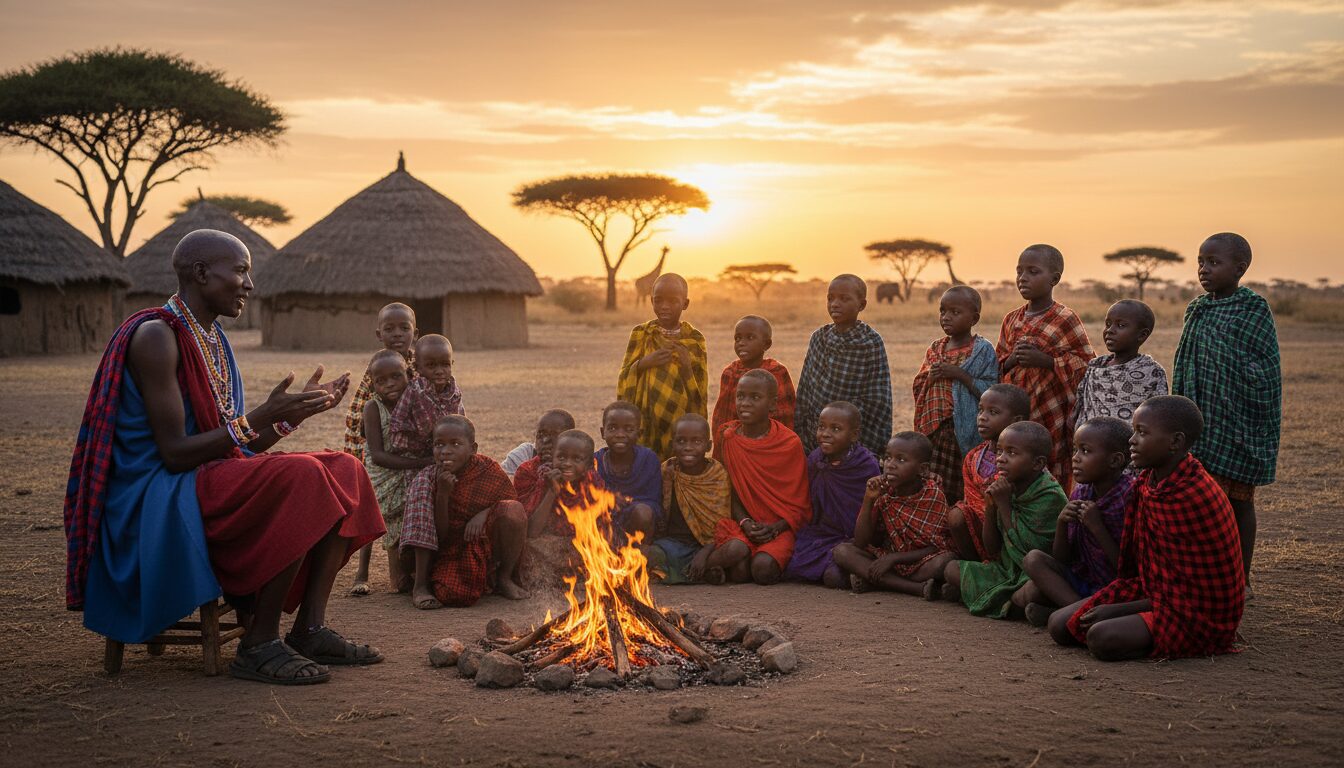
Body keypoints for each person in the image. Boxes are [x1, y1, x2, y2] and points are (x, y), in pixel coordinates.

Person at [65, 229, 385, 686]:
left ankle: (309, 629)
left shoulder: (211, 338)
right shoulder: (157, 337)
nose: (250, 284)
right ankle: (259, 643)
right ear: (200, 273)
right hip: (158, 493)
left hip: (205, 475)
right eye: (240, 271)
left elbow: (236, 446)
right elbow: (176, 454)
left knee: (345, 468)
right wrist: (260, 413)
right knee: (305, 476)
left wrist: (291, 415)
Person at [1050, 396, 1245, 660]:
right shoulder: (1148, 483)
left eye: (1142, 432)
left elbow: (1186, 591)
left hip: (1196, 612)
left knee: (1101, 637)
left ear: (1175, 442)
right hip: (1153, 592)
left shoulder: (1192, 494)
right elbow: (1147, 572)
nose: (1132, 440)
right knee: (1058, 625)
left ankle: (1169, 641)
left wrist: (1118, 609)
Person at [1172, 232, 1280, 580]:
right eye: (1201, 262)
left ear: (1240, 268)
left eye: (1213, 262)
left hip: (1237, 422)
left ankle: (1240, 575)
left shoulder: (1253, 308)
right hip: (1200, 419)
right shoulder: (1197, 309)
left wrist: (1232, 380)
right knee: (1197, 501)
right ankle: (1202, 572)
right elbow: (1186, 362)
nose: (1204, 269)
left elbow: (1265, 367)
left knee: (1238, 502)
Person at [941, 421, 1068, 618]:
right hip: (1006, 571)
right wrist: (991, 509)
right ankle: (1010, 604)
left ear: (1037, 463)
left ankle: (1007, 603)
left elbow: (1029, 553)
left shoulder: (1050, 496)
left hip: (1031, 573)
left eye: (1012, 453)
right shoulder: (1005, 486)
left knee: (1034, 589)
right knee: (951, 569)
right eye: (1000, 452)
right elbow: (992, 550)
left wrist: (1005, 506)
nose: (1001, 459)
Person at [400, 416, 529, 609]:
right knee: (453, 595)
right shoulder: (427, 480)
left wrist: (483, 514)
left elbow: (512, 505)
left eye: (456, 444)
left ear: (473, 449)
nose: (445, 451)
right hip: (447, 548)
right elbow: (440, 535)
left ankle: (504, 578)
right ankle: (420, 586)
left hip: (483, 539)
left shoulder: (488, 469)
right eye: (439, 444)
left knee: (512, 509)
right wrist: (443, 495)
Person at [1016, 417, 1135, 627]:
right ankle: (1079, 613)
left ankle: (1073, 614)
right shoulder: (1082, 492)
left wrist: (1097, 527)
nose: (1075, 458)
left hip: (1117, 587)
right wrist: (1062, 522)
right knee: (1032, 564)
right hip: (1085, 581)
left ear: (1115, 461)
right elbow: (1063, 559)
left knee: (1030, 593)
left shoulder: (1129, 498)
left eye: (1086, 451)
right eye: (1075, 450)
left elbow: (1127, 571)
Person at [996, 244, 1094, 489]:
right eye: (1019, 271)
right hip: (1017, 410)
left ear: (1054, 279)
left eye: (1033, 271)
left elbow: (1086, 366)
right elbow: (997, 364)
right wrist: (1011, 360)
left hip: (1054, 411)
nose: (1023, 278)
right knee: (1015, 463)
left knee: (1050, 465)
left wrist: (1047, 361)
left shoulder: (1065, 318)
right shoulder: (1011, 319)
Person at [706, 370, 811, 584]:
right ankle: (704, 568)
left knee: (763, 570)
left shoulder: (789, 443)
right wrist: (745, 521)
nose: (745, 403)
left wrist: (776, 527)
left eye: (755, 397)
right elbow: (726, 489)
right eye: (741, 396)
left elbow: (800, 502)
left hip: (779, 527)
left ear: (772, 405)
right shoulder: (728, 437)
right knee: (739, 564)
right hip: (742, 521)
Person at [343, 302, 417, 596]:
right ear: (378, 334)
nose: (397, 334)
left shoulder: (420, 366)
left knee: (404, 512)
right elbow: (358, 414)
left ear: (415, 332)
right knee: (370, 509)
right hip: (376, 450)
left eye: (404, 328)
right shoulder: (376, 369)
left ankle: (407, 568)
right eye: (389, 329)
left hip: (407, 452)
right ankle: (361, 572)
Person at [832, 432, 954, 598]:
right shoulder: (883, 492)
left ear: (922, 469)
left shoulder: (932, 495)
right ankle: (915, 588)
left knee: (945, 561)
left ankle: (881, 582)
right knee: (842, 551)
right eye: (888, 458)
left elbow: (936, 546)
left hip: (920, 561)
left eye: (901, 460)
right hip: (887, 559)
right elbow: (861, 542)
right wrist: (869, 500)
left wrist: (894, 559)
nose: (890, 465)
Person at [913, 286, 999, 503]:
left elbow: (991, 390)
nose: (946, 317)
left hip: (962, 430)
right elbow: (920, 384)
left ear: (974, 318)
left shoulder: (982, 350)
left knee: (960, 484)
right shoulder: (935, 349)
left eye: (955, 312)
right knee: (933, 483)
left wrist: (959, 374)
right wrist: (931, 377)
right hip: (934, 431)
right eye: (943, 311)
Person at [360, 350, 433, 594]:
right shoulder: (373, 408)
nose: (389, 384)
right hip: (383, 472)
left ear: (409, 376)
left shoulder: (416, 401)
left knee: (421, 500)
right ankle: (397, 576)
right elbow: (378, 456)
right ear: (373, 385)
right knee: (393, 515)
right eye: (381, 381)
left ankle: (414, 570)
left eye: (395, 377)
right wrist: (420, 463)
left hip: (408, 466)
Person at [783, 402, 880, 586]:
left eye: (836, 429)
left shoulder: (866, 465)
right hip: (823, 534)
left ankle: (860, 572)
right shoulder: (815, 459)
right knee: (793, 566)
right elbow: (810, 503)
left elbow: (876, 513)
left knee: (832, 578)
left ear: (854, 435)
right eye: (821, 427)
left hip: (857, 538)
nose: (825, 434)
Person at [795, 274, 893, 456]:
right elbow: (805, 388)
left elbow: (878, 398)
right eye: (830, 298)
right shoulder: (819, 338)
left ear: (861, 305)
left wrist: (842, 420)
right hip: (814, 432)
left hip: (852, 435)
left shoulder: (870, 341)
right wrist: (798, 428)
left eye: (844, 299)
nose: (835, 304)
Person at [617, 273, 709, 459]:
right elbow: (624, 376)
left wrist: (686, 368)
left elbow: (701, 389)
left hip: (680, 418)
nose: (664, 306)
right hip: (645, 419)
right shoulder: (641, 334)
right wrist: (644, 363)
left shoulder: (694, 339)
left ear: (685, 304)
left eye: (673, 301)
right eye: (658, 301)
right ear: (651, 301)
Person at [946, 384, 1031, 561]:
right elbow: (972, 502)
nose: (982, 418)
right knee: (956, 515)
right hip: (982, 530)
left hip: (1014, 528)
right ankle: (978, 564)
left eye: (993, 412)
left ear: (1016, 420)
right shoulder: (973, 457)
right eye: (980, 410)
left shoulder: (1025, 460)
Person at [645, 414, 733, 584]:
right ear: (672, 444)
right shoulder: (667, 470)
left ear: (708, 446)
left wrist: (704, 553)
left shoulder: (717, 474)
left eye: (696, 442)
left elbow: (722, 525)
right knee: (646, 554)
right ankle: (700, 573)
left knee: (736, 549)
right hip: (672, 545)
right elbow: (660, 517)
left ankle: (689, 571)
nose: (688, 447)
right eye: (681, 441)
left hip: (709, 546)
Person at [1072, 300, 1167, 429]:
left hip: (1129, 444)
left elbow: (1158, 415)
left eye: (1121, 325)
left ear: (1142, 335)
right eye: (1108, 324)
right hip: (1093, 442)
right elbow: (1081, 409)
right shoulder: (1095, 367)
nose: (1110, 330)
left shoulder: (1152, 372)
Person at [712, 315, 796, 458]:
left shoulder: (776, 372)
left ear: (766, 344)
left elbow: (786, 415)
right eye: (737, 338)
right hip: (735, 445)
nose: (741, 343)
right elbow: (721, 416)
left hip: (770, 448)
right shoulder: (730, 373)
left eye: (750, 338)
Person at [595, 400, 662, 544]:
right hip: (604, 524)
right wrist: (609, 501)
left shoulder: (648, 459)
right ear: (602, 432)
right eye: (612, 428)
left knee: (643, 512)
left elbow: (653, 503)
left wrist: (625, 503)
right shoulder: (595, 461)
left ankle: (640, 553)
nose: (620, 434)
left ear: (639, 433)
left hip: (637, 522)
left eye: (628, 429)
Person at [388, 334, 464, 457]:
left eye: (445, 364)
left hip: (447, 453)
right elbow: (396, 427)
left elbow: (461, 425)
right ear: (418, 368)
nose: (439, 371)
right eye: (431, 365)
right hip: (418, 455)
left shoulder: (454, 392)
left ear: (452, 364)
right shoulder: (414, 390)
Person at [501, 409, 575, 479]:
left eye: (555, 436)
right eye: (541, 434)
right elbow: (505, 486)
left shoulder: (578, 461)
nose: (545, 440)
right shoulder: (522, 456)